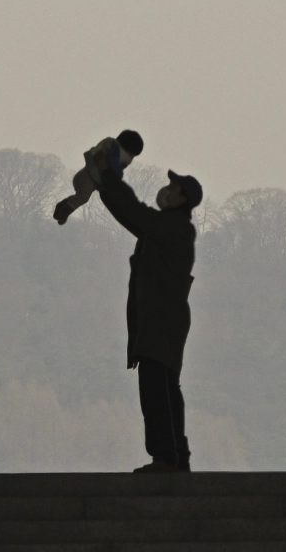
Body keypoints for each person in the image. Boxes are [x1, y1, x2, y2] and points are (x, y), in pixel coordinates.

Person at [94, 162, 203, 473]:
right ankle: (176, 457)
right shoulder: (171, 227)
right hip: (164, 321)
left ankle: (166, 457)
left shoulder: (173, 227)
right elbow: (133, 216)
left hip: (161, 322)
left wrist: (107, 177)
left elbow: (136, 214)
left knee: (157, 390)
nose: (166, 190)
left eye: (173, 188)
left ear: (182, 199)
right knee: (166, 388)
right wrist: (106, 185)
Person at [53, 129, 144, 225]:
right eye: (132, 155)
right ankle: (62, 213)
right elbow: (113, 161)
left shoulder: (111, 147)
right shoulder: (114, 149)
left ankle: (61, 207)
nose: (131, 159)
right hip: (88, 178)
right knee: (83, 197)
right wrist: (118, 174)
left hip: (87, 177)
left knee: (79, 196)